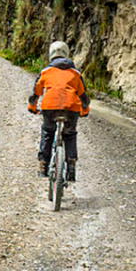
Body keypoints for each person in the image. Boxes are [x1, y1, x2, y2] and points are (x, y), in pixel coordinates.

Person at [27, 41, 90, 182]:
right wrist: (84, 110)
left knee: (48, 132)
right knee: (70, 134)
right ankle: (71, 168)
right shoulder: (75, 74)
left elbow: (36, 93)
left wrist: (32, 107)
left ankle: (43, 166)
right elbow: (84, 96)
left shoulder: (45, 72)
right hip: (71, 108)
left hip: (50, 107)